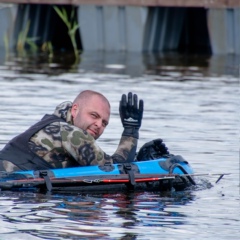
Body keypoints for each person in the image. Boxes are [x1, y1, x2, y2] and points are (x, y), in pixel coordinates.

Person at [0, 90, 144, 172]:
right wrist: (131, 131)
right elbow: (114, 169)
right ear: (75, 110)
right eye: (94, 116)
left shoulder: (53, 124)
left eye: (104, 123)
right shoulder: (73, 134)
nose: (99, 125)